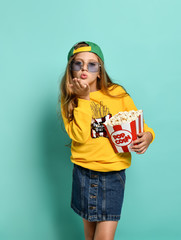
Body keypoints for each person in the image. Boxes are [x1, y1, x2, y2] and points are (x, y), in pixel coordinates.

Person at [59, 41, 155, 240]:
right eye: (78, 64)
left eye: (92, 64)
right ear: (71, 70)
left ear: (100, 71)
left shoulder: (117, 94)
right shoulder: (70, 100)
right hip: (83, 174)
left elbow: (141, 126)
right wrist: (84, 99)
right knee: (90, 236)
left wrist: (148, 136)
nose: (85, 68)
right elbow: (79, 136)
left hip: (113, 175)